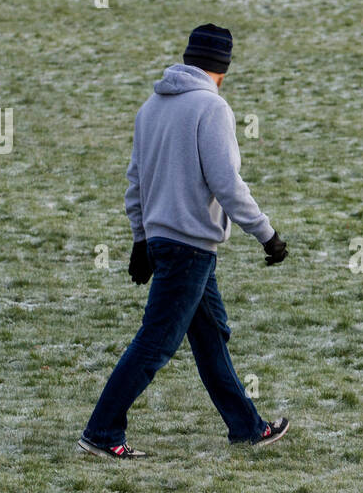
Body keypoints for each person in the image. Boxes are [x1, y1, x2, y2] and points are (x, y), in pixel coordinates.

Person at [79, 24, 290, 459]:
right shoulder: (211, 109)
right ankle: (101, 432)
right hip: (191, 247)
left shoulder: (151, 108)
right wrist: (267, 235)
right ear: (222, 69)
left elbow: (135, 184)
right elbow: (227, 184)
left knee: (211, 338)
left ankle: (247, 427)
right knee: (155, 343)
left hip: (165, 241)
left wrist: (141, 240)